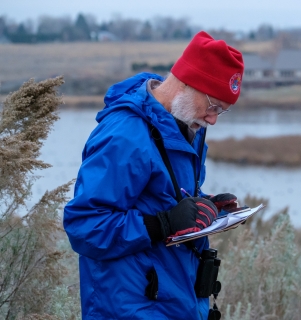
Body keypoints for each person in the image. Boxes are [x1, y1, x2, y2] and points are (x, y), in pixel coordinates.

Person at [63, 31, 244, 319]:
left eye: (222, 111)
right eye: (213, 106)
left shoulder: (187, 125)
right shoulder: (125, 136)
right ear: (186, 83)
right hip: (129, 306)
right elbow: (85, 225)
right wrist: (163, 223)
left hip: (176, 299)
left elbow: (159, 196)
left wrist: (204, 205)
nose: (213, 119)